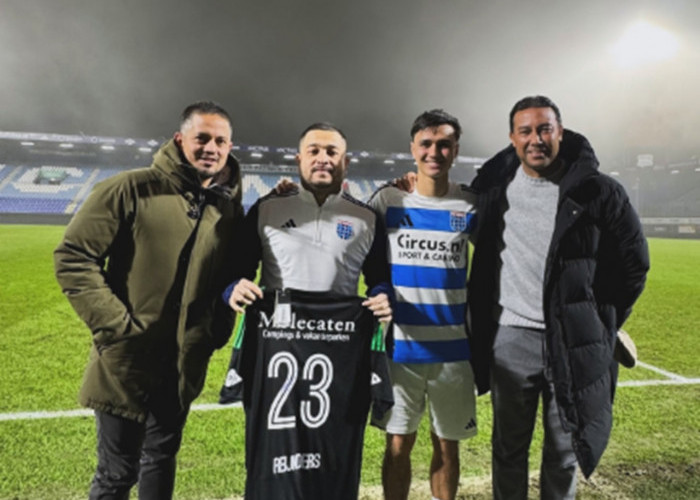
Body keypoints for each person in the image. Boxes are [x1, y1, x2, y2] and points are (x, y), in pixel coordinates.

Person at [54, 101, 244, 500]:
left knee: (160, 462)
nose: (211, 147)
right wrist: (117, 327)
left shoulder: (227, 207)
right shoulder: (130, 187)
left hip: (182, 364)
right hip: (127, 361)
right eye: (202, 138)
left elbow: (230, 276)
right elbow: (74, 256)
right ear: (180, 140)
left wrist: (213, 331)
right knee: (117, 473)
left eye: (220, 141)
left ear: (230, 147)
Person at [468, 95, 650, 499]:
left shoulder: (599, 191)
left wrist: (605, 320)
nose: (537, 139)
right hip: (511, 340)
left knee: (564, 453)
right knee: (508, 450)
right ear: (512, 139)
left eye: (545, 128)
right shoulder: (493, 189)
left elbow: (634, 264)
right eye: (526, 131)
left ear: (560, 132)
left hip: (571, 343)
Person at [221, 122, 393, 499]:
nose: (323, 159)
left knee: (335, 457)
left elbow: (381, 278)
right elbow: (235, 271)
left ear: (345, 162)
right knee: (271, 460)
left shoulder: (365, 218)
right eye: (314, 151)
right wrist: (233, 289)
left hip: (340, 358)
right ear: (299, 159)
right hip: (274, 353)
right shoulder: (267, 209)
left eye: (332, 152)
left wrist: (383, 296)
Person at [368, 109, 479, 500]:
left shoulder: (470, 204)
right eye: (427, 144)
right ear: (413, 149)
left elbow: (507, 256)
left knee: (447, 445)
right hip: (399, 349)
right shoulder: (387, 198)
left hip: (454, 351)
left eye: (444, 144)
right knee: (398, 445)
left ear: (456, 151)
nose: (435, 151)